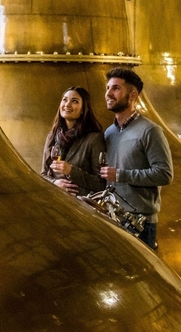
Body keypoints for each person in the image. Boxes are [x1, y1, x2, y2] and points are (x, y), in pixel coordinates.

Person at [100, 67, 173, 250]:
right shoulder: (110, 132)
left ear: (132, 96)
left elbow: (164, 174)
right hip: (113, 218)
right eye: (108, 88)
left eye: (116, 88)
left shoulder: (150, 131)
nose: (108, 93)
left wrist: (121, 175)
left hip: (140, 223)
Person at [41, 87, 106, 196]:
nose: (67, 104)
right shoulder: (52, 136)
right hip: (56, 203)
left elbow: (101, 184)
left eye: (74, 101)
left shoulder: (94, 139)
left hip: (82, 206)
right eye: (65, 100)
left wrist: (71, 171)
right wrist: (55, 183)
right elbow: (43, 174)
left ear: (83, 109)